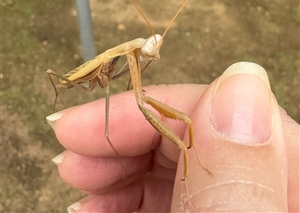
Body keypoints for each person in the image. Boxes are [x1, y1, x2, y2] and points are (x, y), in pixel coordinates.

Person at [46, 62, 299, 212]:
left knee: (180, 121)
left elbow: (139, 95)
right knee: (107, 130)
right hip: (73, 79)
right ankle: (194, 164)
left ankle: (191, 158)